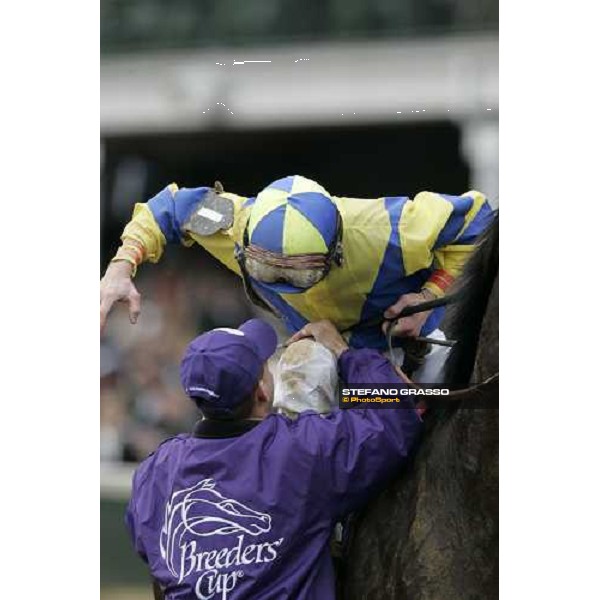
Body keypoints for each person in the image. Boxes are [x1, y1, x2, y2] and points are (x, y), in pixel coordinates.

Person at [126, 318, 422, 599]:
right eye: (265, 367)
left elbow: (146, 543)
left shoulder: (156, 470)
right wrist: (345, 354)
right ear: (262, 390)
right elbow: (395, 415)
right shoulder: (301, 449)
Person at [101, 175, 494, 380]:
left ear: (336, 252)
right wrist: (120, 267)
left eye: (303, 273)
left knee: (413, 406)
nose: (283, 284)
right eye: (267, 271)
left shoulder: (390, 227)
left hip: (407, 340)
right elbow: (165, 208)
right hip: (320, 349)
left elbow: (479, 219)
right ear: (244, 244)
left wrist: (427, 298)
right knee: (299, 387)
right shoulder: (232, 222)